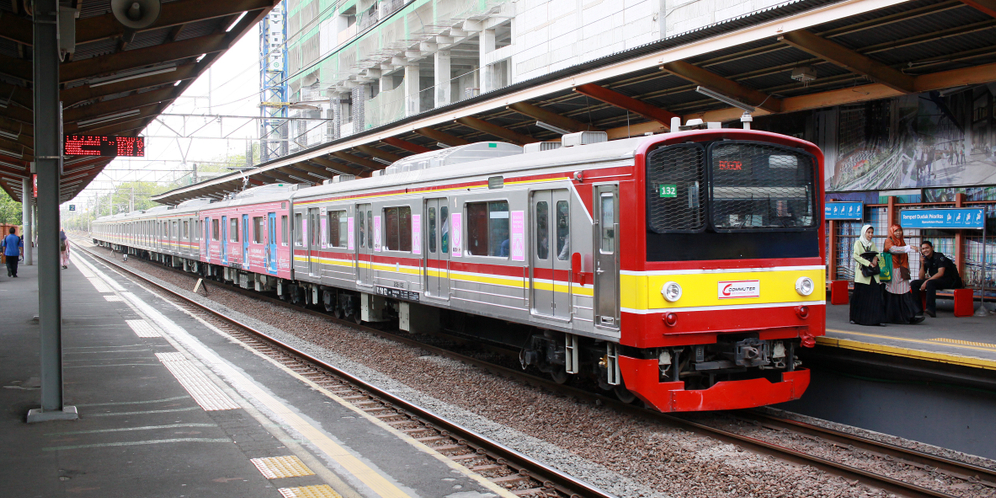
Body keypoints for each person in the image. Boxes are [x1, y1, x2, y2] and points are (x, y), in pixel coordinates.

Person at [882, 224, 924, 324]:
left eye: (900, 231)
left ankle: (910, 316)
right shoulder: (889, 241)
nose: (898, 233)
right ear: (892, 232)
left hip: (902, 270)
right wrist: (909, 247)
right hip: (893, 269)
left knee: (905, 293)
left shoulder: (902, 241)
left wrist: (907, 269)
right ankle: (892, 317)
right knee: (892, 293)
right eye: (896, 231)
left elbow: (904, 257)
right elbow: (893, 250)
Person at [910, 240, 963, 317]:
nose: (925, 250)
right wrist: (922, 264)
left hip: (950, 281)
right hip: (937, 280)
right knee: (914, 283)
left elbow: (940, 273)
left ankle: (930, 309)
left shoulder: (939, 256)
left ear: (932, 248)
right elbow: (921, 277)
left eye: (927, 248)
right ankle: (917, 309)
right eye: (923, 249)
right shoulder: (925, 259)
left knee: (930, 283)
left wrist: (926, 281)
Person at [850, 225, 886, 326]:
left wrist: (876, 258)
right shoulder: (858, 243)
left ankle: (875, 319)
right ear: (864, 233)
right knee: (861, 297)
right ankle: (857, 318)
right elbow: (856, 255)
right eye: (868, 232)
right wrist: (868, 263)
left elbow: (878, 254)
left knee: (874, 295)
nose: (870, 235)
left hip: (872, 274)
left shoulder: (872, 244)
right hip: (862, 274)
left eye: (871, 232)